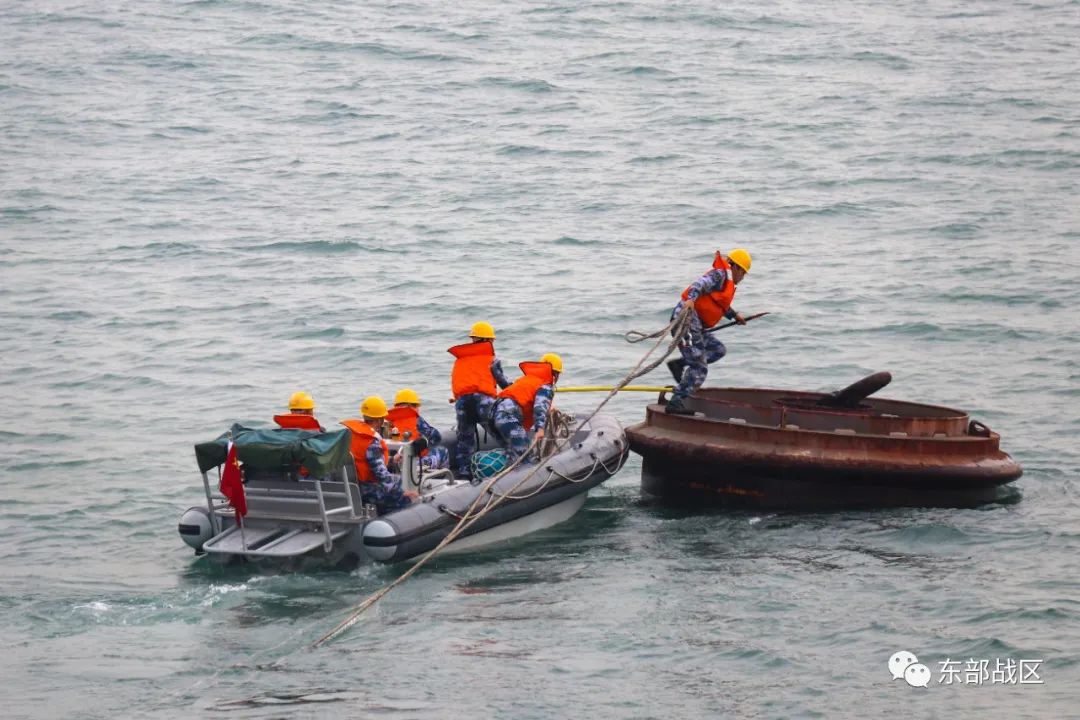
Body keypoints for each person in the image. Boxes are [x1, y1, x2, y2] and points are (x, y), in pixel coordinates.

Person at [665, 249, 752, 415]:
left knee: (718, 350)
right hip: (687, 321)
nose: (743, 278)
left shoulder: (726, 281)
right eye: (743, 273)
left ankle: (680, 364)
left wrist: (734, 316)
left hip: (696, 325)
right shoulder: (720, 275)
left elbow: (718, 303)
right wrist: (691, 299)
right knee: (700, 368)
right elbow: (699, 284)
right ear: (737, 268)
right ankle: (675, 402)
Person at [448, 321, 511, 479]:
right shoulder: (492, 359)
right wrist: (518, 390)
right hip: (483, 402)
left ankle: (465, 473)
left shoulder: (460, 360)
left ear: (474, 339)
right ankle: (515, 462)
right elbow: (503, 383)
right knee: (500, 432)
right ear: (488, 340)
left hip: (462, 403)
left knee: (465, 439)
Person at [340, 396, 417, 514]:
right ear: (379, 420)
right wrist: (403, 492)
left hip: (351, 487)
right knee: (404, 491)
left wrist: (392, 460)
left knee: (397, 481)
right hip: (366, 490)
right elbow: (383, 476)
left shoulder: (351, 435)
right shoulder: (371, 442)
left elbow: (365, 460)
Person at [489, 353, 561, 461]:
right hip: (508, 417)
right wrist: (540, 429)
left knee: (513, 454)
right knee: (525, 456)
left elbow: (516, 393)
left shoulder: (528, 379)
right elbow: (540, 406)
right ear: (556, 374)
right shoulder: (546, 384)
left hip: (493, 415)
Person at [386, 388, 451, 471]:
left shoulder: (387, 420)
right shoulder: (416, 420)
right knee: (443, 451)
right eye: (416, 406)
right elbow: (436, 436)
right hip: (412, 464)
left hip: (392, 462)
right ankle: (442, 476)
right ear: (411, 406)